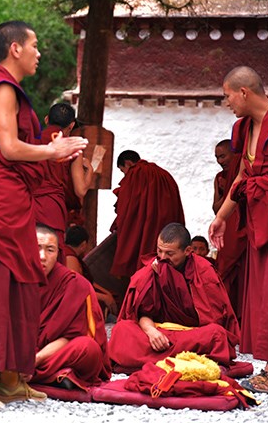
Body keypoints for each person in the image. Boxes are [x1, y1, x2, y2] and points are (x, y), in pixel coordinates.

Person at [0, 20, 87, 410]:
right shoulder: (1, 89)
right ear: (15, 49)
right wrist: (52, 152)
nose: (39, 52)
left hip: (12, 198)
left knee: (19, 284)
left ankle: (10, 378)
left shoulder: (12, 91)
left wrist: (52, 148)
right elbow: (10, 148)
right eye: (34, 45)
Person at [210, 66, 268, 393]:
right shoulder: (243, 128)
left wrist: (263, 187)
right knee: (266, 295)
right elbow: (242, 176)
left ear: (244, 92)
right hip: (262, 218)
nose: (226, 103)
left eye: (227, 95)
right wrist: (222, 216)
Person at [109, 223, 239, 374]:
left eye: (169, 254)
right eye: (159, 251)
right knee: (121, 330)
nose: (163, 258)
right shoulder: (151, 271)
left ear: (187, 251)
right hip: (159, 333)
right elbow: (142, 313)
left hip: (191, 335)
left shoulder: (203, 272)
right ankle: (188, 361)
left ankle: (151, 360)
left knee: (216, 334)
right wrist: (151, 331)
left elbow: (213, 319)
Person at [34, 226, 110, 389]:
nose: (42, 257)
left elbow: (70, 336)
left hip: (53, 353)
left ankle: (21, 373)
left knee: (88, 349)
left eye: (50, 250)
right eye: (37, 248)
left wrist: (37, 358)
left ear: (58, 254)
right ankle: (54, 375)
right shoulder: (14, 278)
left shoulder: (73, 283)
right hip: (22, 351)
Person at [110, 150, 185, 278]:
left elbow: (127, 208)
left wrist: (118, 225)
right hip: (167, 230)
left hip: (145, 229)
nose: (125, 176)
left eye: (123, 171)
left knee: (144, 269)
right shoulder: (164, 175)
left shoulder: (135, 174)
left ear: (128, 164)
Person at [33, 103, 93, 246]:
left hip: (27, 207)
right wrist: (89, 171)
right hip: (53, 209)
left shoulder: (30, 142)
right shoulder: (73, 148)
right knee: (51, 252)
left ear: (47, 120)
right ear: (71, 125)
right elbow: (80, 190)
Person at [211, 138, 247, 321]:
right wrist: (225, 193)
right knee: (225, 270)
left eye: (223, 156)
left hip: (243, 226)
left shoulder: (245, 170)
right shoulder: (220, 178)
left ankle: (244, 316)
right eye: (217, 157)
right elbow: (216, 208)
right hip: (228, 228)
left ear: (234, 154)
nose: (220, 161)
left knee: (244, 272)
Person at [64, 226, 118, 319]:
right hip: (74, 309)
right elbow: (75, 290)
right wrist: (104, 297)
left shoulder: (70, 255)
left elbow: (88, 283)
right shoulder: (70, 258)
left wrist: (107, 294)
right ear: (84, 244)